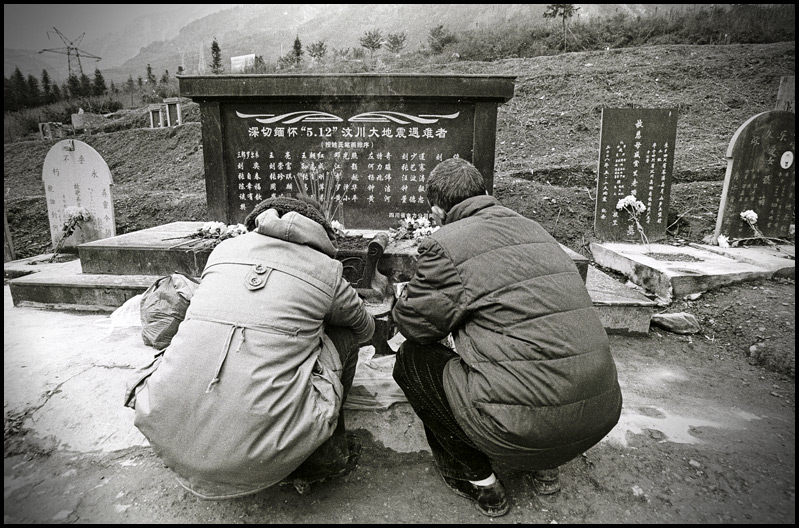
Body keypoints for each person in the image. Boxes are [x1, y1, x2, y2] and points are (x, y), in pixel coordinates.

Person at [391, 157, 623, 517]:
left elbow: (418, 327)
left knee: (412, 360)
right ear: (484, 193)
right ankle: (545, 467)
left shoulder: (446, 244)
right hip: (599, 410)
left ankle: (479, 482)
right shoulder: (535, 229)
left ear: (437, 210)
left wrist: (403, 298)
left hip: (526, 426)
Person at [127, 196, 375, 499]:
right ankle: (322, 458)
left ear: (257, 221)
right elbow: (364, 328)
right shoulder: (326, 269)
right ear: (319, 231)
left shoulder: (223, 251)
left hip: (168, 431)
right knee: (345, 336)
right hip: (262, 451)